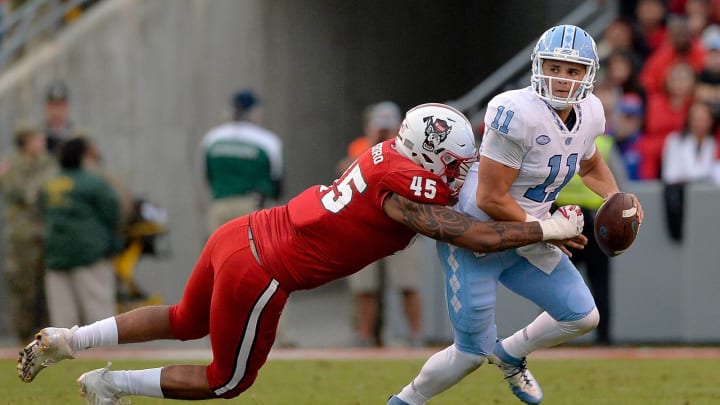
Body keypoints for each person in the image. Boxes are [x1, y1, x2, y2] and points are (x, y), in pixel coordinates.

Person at [17, 103, 586, 404]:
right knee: (226, 381)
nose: (459, 172)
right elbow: (478, 236)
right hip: (262, 269)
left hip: (242, 232)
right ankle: (108, 385)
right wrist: (548, 229)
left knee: (184, 319)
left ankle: (70, 340)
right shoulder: (402, 192)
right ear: (429, 155)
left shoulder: (388, 152)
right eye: (453, 162)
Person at [388, 26, 644, 405]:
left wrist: (618, 197)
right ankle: (404, 401)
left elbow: (589, 166)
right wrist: (547, 229)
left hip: (530, 232)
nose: (561, 78)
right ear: (538, 67)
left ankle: (509, 354)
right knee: (469, 355)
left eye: (572, 71)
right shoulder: (517, 112)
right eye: (554, 67)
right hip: (478, 236)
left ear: (588, 75)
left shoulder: (590, 111)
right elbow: (490, 197)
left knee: (582, 315)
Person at [339, 101, 426, 347]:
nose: (384, 132)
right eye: (380, 127)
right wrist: (373, 145)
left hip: (401, 224)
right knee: (364, 286)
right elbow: (345, 173)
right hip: (366, 226)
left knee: (408, 283)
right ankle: (364, 336)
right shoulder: (360, 147)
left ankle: (416, 335)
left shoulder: (409, 148)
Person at [39, 136, 123, 329]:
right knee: (99, 317)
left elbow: (41, 211)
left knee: (63, 321)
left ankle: (65, 357)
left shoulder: (49, 182)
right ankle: (104, 357)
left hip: (56, 254)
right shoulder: (93, 182)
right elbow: (113, 211)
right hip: (89, 255)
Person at [199, 89, 283, 237]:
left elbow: (207, 176)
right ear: (253, 112)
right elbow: (277, 183)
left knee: (219, 255)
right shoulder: (267, 141)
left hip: (220, 205)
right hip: (253, 208)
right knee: (253, 256)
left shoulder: (212, 139)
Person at [0, 125, 56, 342]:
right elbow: (25, 192)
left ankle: (48, 341)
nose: (41, 143)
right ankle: (24, 341)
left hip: (46, 236)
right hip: (22, 241)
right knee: (23, 292)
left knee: (48, 293)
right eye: (37, 139)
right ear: (26, 141)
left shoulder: (48, 162)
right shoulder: (12, 164)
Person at [43, 79, 75, 154]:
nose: (57, 110)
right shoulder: (37, 139)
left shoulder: (77, 138)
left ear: (68, 107)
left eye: (61, 105)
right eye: (53, 105)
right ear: (46, 107)